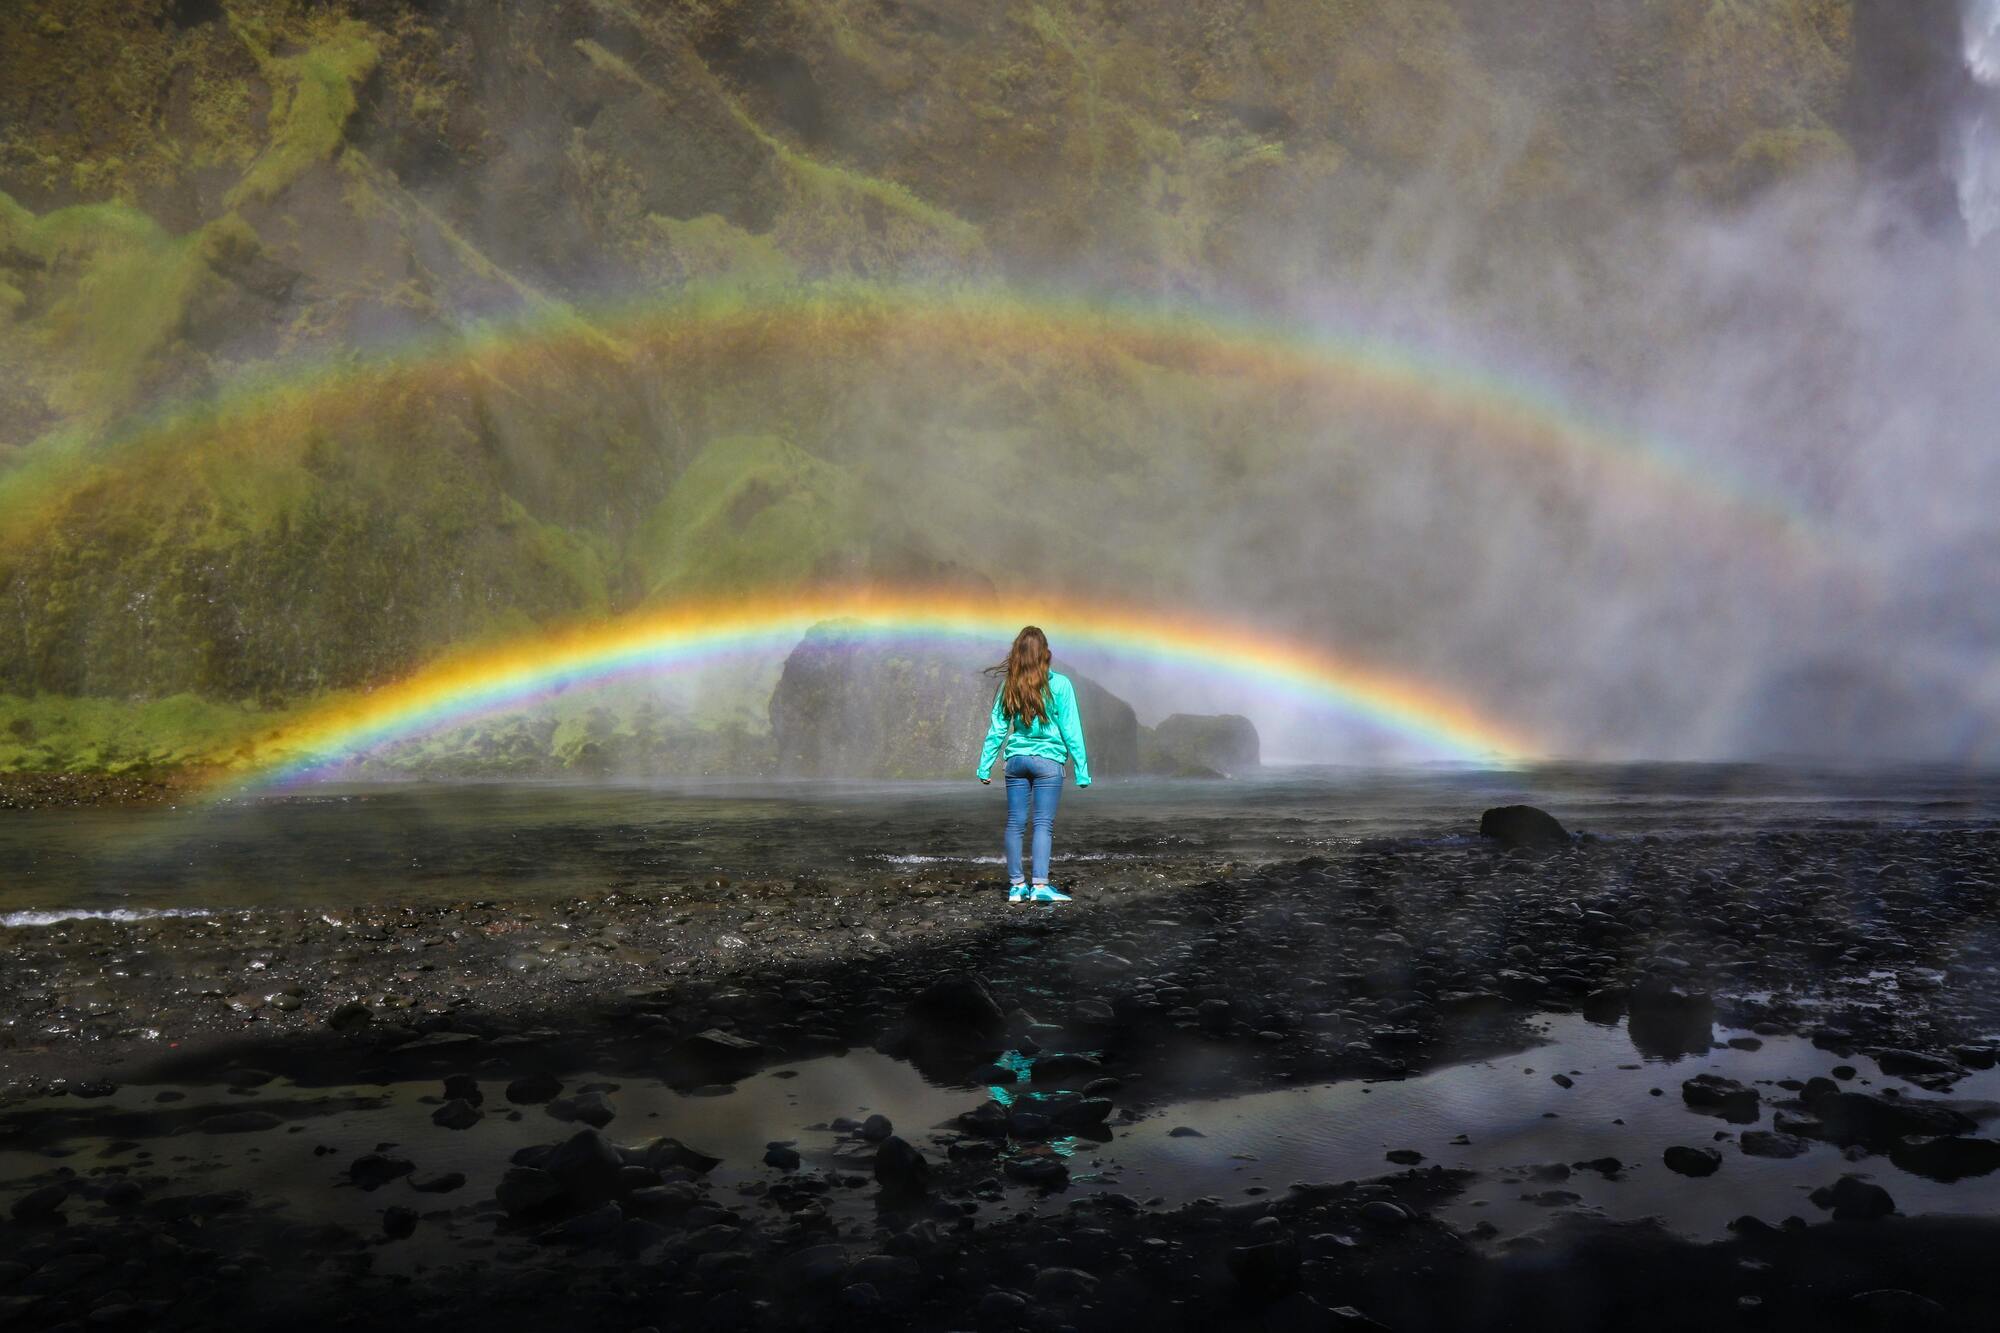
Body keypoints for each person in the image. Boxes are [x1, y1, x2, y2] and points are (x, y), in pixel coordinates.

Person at [976, 625, 1090, 903]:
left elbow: (997, 729)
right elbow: (1071, 729)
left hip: (1015, 761)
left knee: (1015, 823)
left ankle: (1016, 886)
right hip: (1048, 762)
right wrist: (1082, 769)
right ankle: (1040, 886)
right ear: (1045, 653)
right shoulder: (1060, 684)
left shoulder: (1009, 685)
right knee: (1042, 824)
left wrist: (984, 765)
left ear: (1018, 653)